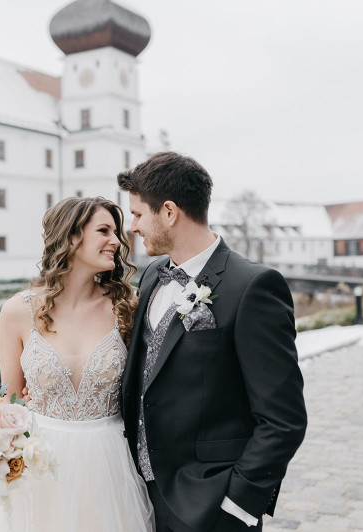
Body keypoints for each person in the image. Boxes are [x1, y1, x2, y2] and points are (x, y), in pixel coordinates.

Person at [118, 152, 308, 532]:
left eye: (138, 214)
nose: (132, 226)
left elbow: (283, 419)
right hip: (140, 498)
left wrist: (237, 506)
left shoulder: (253, 287)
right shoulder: (153, 275)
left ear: (169, 212)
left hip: (211, 506)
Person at [0, 196, 155, 532]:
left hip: (110, 464)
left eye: (116, 232)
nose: (117, 241)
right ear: (71, 237)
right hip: (40, 464)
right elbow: (10, 404)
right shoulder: (17, 312)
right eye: (104, 231)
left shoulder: (129, 306)